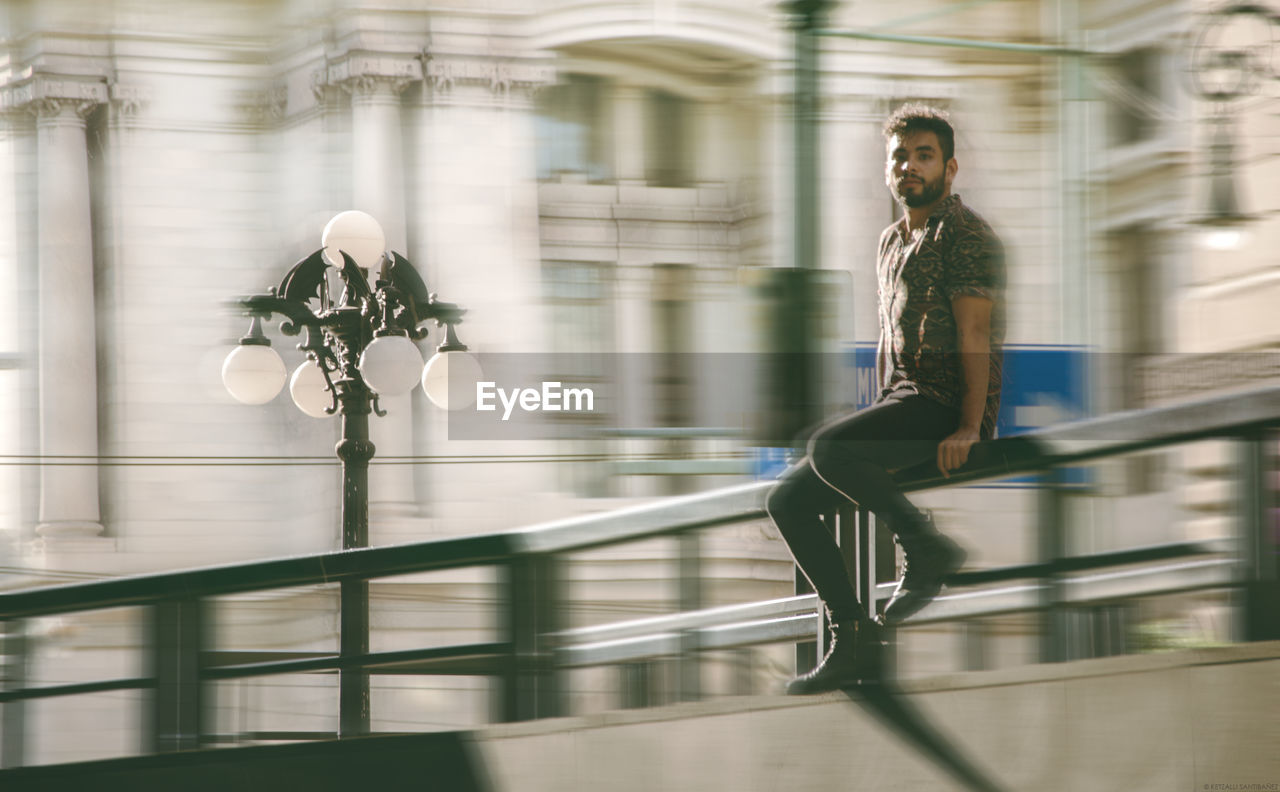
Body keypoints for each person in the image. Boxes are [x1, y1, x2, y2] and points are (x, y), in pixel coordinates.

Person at [766, 104, 1005, 694]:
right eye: (900, 156)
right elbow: (885, 337)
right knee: (787, 499)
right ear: (888, 169)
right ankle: (854, 638)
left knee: (827, 447)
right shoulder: (891, 241)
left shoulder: (966, 234)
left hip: (946, 406)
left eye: (924, 155)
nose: (909, 166)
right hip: (904, 401)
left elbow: (975, 334)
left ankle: (923, 544)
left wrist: (970, 425)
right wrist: (876, 417)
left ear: (950, 168)